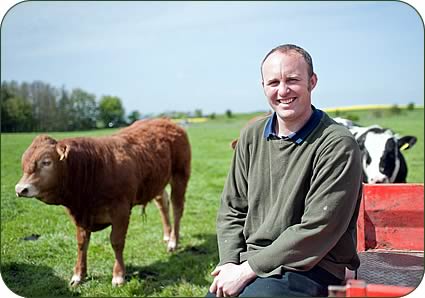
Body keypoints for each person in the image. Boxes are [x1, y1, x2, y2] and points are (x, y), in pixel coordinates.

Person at [207, 44, 363, 297]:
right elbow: (232, 207)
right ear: (263, 87)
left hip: (312, 265)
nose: (283, 91)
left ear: (312, 82)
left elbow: (318, 228)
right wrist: (229, 263)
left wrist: (248, 269)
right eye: (273, 82)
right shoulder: (252, 135)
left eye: (292, 80)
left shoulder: (336, 144)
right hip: (253, 261)